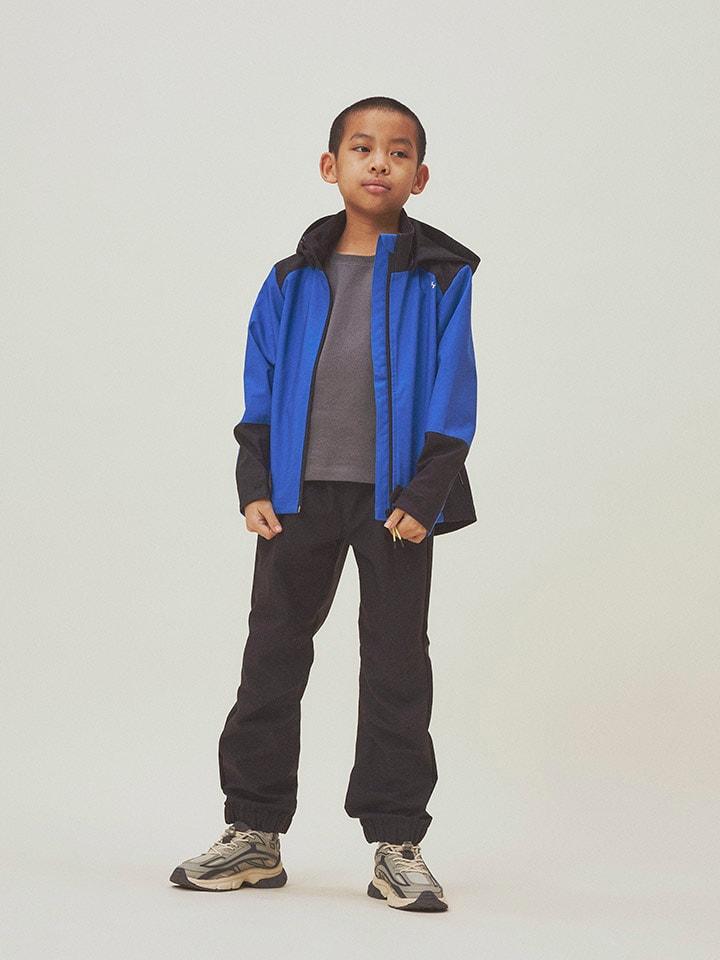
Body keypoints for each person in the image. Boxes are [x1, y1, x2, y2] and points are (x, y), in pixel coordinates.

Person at [170, 96, 480, 912]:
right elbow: (260, 382)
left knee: (397, 668)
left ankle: (396, 843)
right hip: (297, 499)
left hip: (396, 507)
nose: (380, 162)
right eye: (362, 148)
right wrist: (255, 480)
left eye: (399, 152)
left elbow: (454, 391)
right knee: (271, 659)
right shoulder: (291, 278)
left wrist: (425, 493)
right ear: (330, 166)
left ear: (420, 176)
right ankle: (253, 832)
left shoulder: (441, 276)